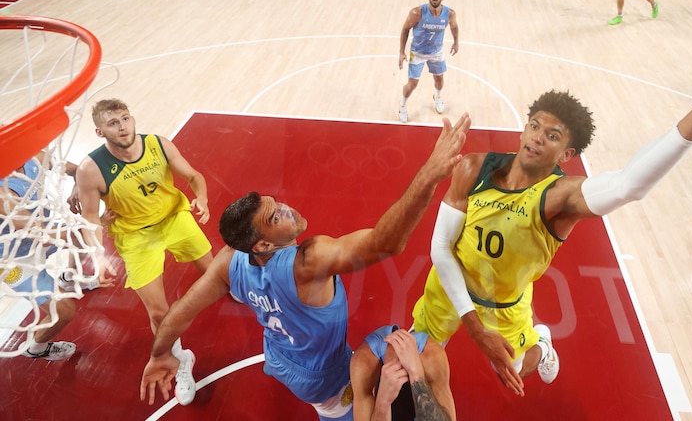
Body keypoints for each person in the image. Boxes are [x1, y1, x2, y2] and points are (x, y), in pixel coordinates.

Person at [410, 41, 692, 396]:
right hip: (447, 292)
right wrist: (473, 327)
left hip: (505, 306)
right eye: (534, 126)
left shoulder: (558, 198)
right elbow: (440, 250)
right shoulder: (474, 168)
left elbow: (630, 184)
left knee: (516, 369)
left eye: (553, 136)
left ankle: (542, 343)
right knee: (414, 365)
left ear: (568, 154)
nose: (537, 137)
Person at [139, 114, 471, 418]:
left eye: (276, 203)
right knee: (359, 404)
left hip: (279, 358)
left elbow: (183, 309)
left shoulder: (230, 260)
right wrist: (429, 174)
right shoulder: (308, 261)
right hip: (325, 376)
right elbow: (387, 242)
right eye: (275, 217)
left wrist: (159, 353)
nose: (287, 208)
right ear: (264, 245)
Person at [76, 98, 212, 406]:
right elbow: (90, 215)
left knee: (213, 269)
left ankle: (247, 293)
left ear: (133, 118)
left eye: (125, 118)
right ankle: (179, 359)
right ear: (100, 131)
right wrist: (97, 254)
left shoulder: (159, 145)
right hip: (136, 236)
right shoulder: (90, 169)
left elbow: (193, 176)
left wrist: (201, 197)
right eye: (113, 122)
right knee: (158, 313)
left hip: (175, 217)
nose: (122, 126)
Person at [1, 155, 112, 361]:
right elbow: (43, 235)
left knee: (81, 237)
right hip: (13, 259)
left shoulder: (34, 155)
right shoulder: (2, 194)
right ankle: (36, 347)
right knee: (64, 311)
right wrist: (95, 224)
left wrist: (78, 186)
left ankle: (68, 278)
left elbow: (76, 170)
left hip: (40, 234)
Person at [350, 325, 455, 421]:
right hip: (420, 356)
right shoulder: (431, 356)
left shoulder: (363, 362)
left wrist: (382, 403)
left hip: (377, 360)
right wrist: (416, 373)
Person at [398, 0, 460, 124]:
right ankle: (402, 105)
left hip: (436, 52)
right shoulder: (417, 13)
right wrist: (401, 52)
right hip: (417, 53)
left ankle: (437, 97)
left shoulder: (449, 14)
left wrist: (456, 42)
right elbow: (405, 29)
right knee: (412, 84)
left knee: (439, 80)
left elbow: (454, 27)